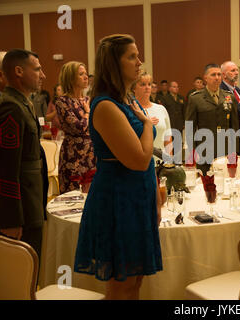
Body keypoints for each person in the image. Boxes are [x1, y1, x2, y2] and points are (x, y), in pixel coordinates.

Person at [74, 34, 162, 300]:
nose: (140, 62)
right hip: (118, 199)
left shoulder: (127, 101)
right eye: (132, 56)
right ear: (114, 62)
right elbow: (140, 159)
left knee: (135, 281)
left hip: (137, 195)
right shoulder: (106, 106)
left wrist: (155, 198)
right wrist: (148, 124)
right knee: (121, 285)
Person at [0, 49, 48, 262]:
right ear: (18, 71)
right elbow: (5, 168)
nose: (43, 75)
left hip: (30, 204)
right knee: (20, 277)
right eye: (37, 69)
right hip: (20, 212)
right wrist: (11, 219)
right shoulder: (9, 107)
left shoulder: (23, 104)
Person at [185, 63, 239, 174]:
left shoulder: (229, 97)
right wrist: (193, 150)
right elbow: (190, 127)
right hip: (204, 149)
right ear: (205, 78)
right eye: (213, 75)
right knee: (206, 184)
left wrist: (235, 150)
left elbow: (234, 126)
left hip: (226, 148)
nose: (217, 78)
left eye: (219, 74)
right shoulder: (196, 98)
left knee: (226, 182)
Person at [56, 61, 96, 193]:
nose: (86, 77)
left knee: (91, 197)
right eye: (81, 74)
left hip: (91, 155)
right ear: (71, 78)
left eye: (85, 73)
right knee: (72, 199)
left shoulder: (87, 99)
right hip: (73, 156)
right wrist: (88, 112)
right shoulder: (62, 101)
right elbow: (79, 127)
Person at [133, 72, 172, 162]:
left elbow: (168, 138)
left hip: (161, 162)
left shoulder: (161, 109)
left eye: (149, 84)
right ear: (134, 88)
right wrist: (146, 123)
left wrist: (170, 163)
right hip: (141, 162)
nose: (147, 87)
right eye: (143, 84)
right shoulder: (131, 110)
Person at [221, 61, 240, 132]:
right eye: (233, 70)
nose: (237, 73)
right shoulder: (221, 90)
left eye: (237, 70)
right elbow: (227, 111)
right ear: (224, 75)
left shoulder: (237, 89)